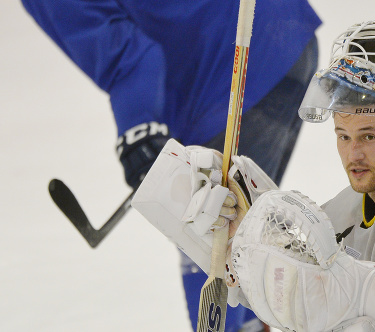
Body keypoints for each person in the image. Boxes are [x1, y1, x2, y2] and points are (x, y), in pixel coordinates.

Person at [133, 20, 375, 331]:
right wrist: (244, 240)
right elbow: (301, 295)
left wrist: (346, 297)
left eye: (369, 136)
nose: (353, 154)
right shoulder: (337, 214)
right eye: (343, 136)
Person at [20, 0, 321, 330]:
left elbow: (129, 57)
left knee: (208, 232)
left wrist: (139, 133)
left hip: (232, 68)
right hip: (284, 31)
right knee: (241, 229)